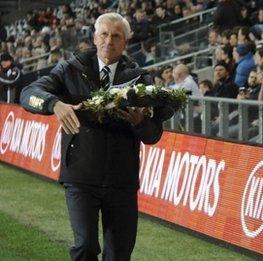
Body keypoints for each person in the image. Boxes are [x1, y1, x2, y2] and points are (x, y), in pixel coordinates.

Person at [20, 13, 169, 260]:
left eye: (116, 36)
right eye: (104, 34)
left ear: (126, 42)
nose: (109, 41)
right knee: (85, 246)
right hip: (81, 176)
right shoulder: (69, 69)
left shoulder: (141, 80)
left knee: (119, 254)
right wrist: (54, 104)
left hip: (122, 180)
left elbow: (154, 135)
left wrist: (141, 123)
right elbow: (28, 93)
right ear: (94, 37)